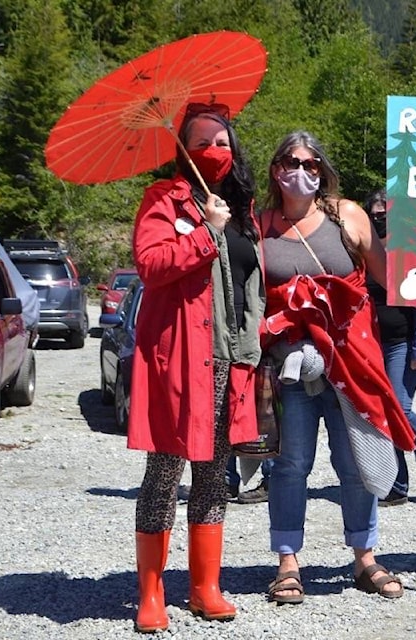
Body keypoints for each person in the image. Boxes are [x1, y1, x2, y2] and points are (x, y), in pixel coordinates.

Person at [258, 131, 416, 604]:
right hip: (292, 361)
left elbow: (391, 275)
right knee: (291, 464)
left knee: (357, 461)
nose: (303, 171)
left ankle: (365, 557)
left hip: (350, 357)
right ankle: (288, 561)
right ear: (276, 168)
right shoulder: (261, 223)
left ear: (323, 171)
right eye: (293, 161)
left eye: (313, 164)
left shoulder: (345, 215)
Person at [127, 103, 265, 633]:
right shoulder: (163, 199)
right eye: (204, 141)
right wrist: (205, 232)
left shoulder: (240, 208)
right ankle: (152, 593)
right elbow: (151, 265)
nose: (216, 150)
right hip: (180, 360)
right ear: (183, 148)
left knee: (213, 477)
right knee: (163, 474)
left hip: (231, 360)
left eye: (224, 141)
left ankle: (206, 587)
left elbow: (251, 283)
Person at [362, 189, 416, 507]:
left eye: (384, 214)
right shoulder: (364, 254)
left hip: (404, 345)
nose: (378, 219)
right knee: (384, 412)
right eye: (373, 213)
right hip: (371, 345)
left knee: (400, 407)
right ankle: (397, 484)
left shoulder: (408, 254)